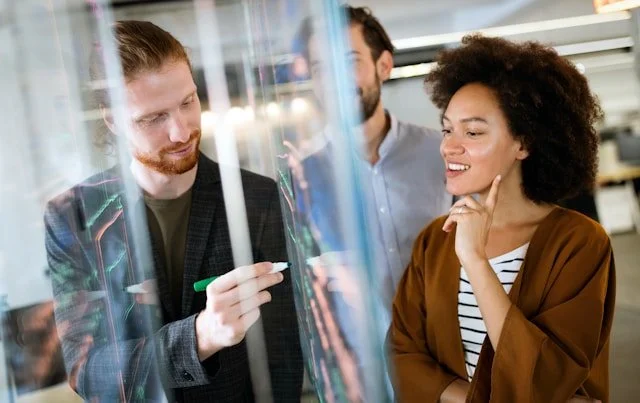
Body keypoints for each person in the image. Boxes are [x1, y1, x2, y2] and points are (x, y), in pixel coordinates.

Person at [44, 20, 302, 402]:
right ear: (113, 120)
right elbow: (87, 371)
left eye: (188, 102)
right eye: (153, 118)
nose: (181, 132)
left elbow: (283, 358)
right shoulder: (73, 217)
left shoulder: (259, 199)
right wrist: (200, 337)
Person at [390, 35, 616, 403]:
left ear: (524, 144)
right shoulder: (435, 239)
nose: (449, 145)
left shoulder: (579, 242)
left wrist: (477, 262)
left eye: (473, 132)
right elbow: (403, 355)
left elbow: (546, 378)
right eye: (448, 128)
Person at [295, 3, 451, 345]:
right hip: (363, 369)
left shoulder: (441, 153)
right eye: (322, 67)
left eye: (349, 62)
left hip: (447, 350)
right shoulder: (301, 178)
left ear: (384, 66)